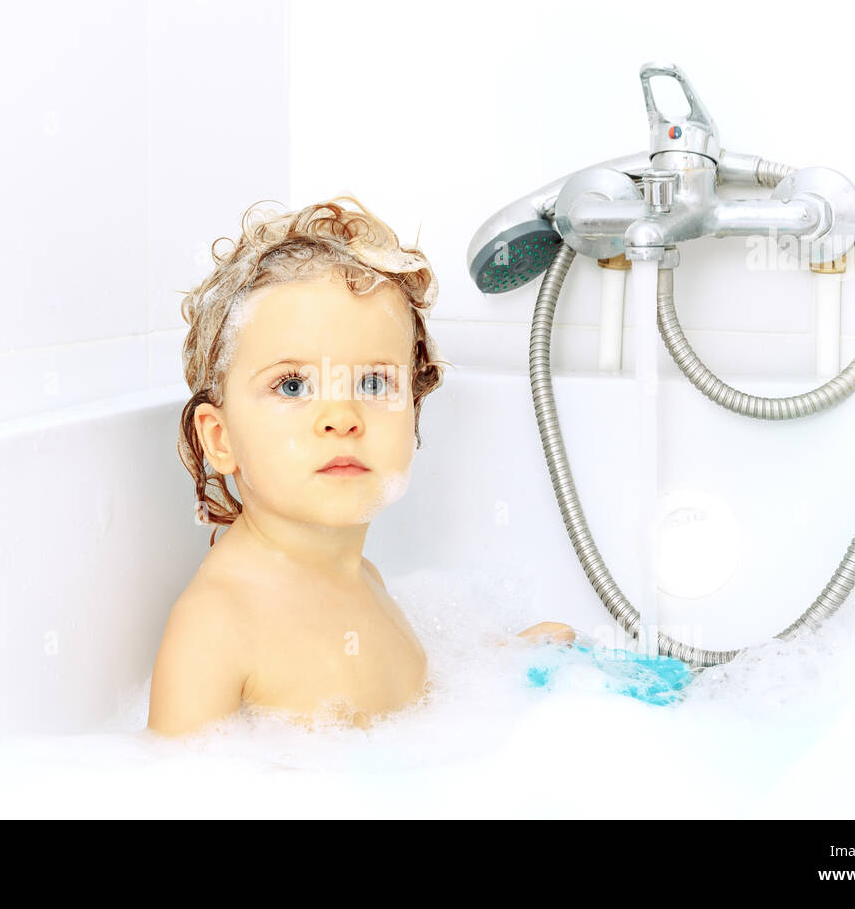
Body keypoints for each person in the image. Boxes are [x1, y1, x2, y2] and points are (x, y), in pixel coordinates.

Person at [147, 196, 577, 736]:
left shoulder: (359, 575)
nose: (342, 418)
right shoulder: (217, 626)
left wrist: (501, 659)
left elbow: (406, 705)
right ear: (220, 437)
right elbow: (171, 789)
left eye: (374, 383)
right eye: (293, 385)